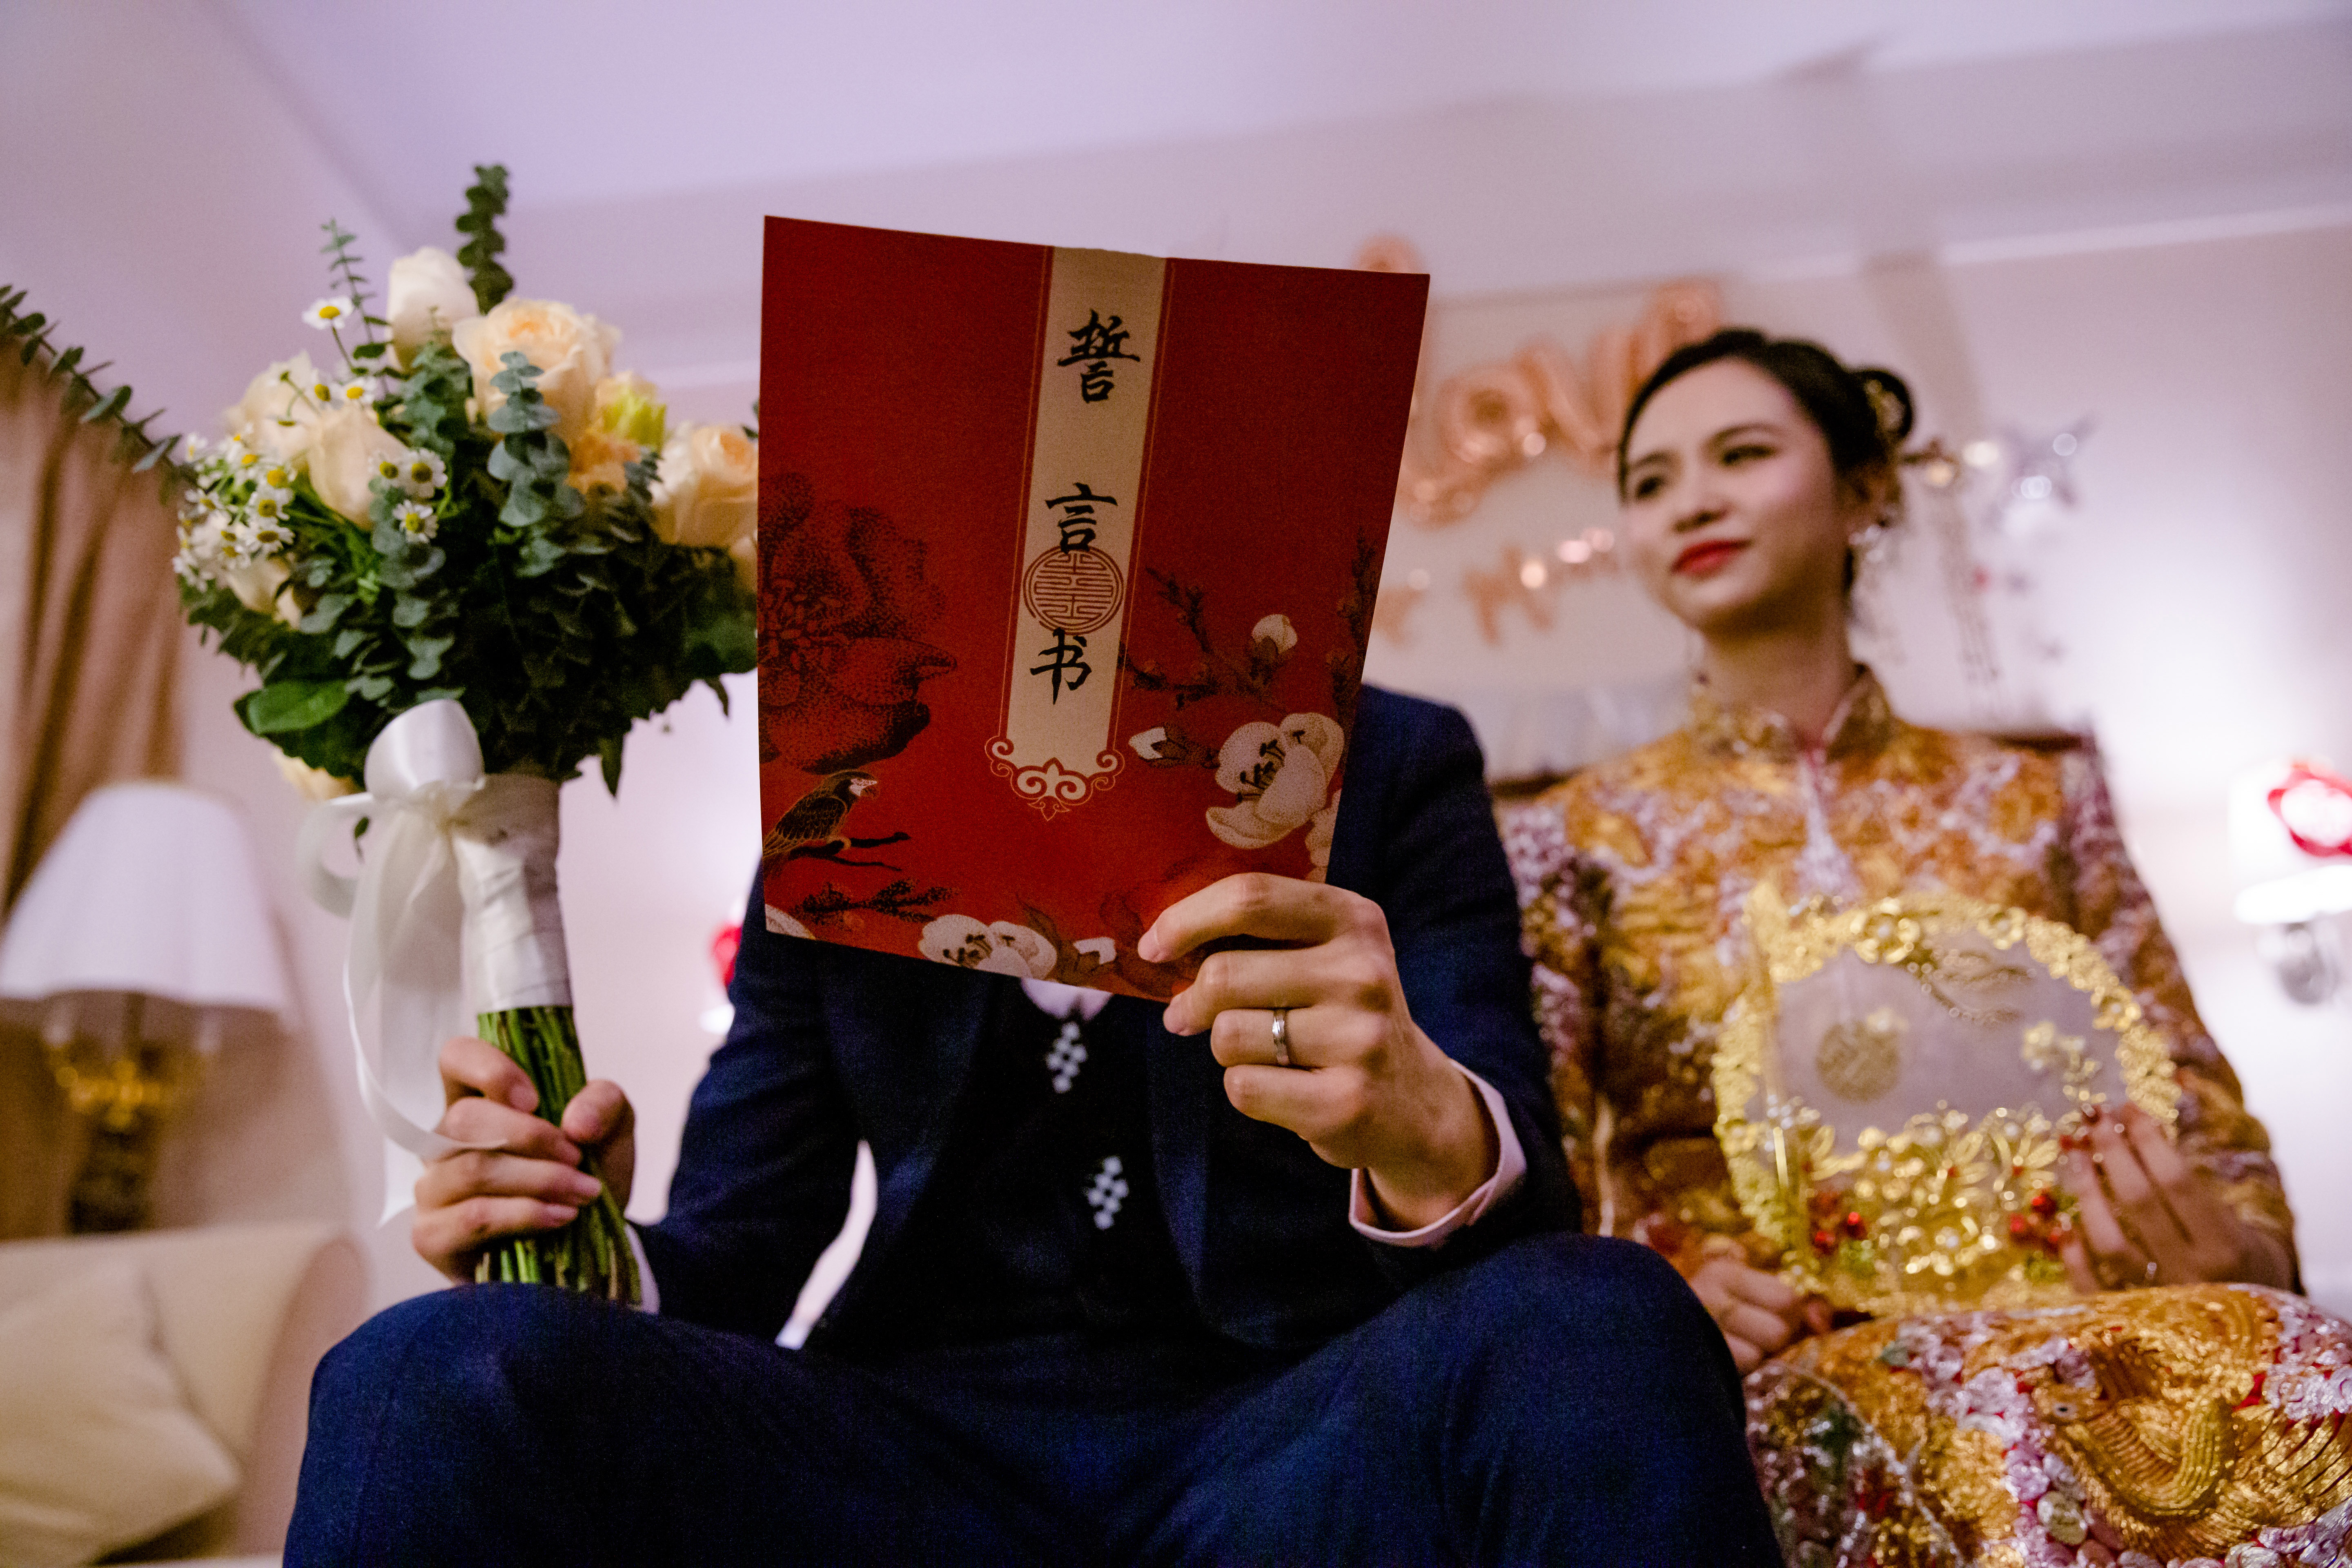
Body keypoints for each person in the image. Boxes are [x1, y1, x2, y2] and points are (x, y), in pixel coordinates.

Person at [288, 685, 1783, 1566]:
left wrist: (1420, 1118)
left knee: (1602, 1315)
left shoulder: (1390, 762)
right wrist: (571, 1235)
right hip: (906, 1456)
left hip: (1295, 1430)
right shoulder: (841, 798)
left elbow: (1522, 1200)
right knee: (424, 1369)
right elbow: (740, 1250)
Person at [1504, 328, 2352, 1564]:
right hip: (1765, 1364)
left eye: (1740, 454)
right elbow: (1535, 1178)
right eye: (1650, 480)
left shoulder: (2035, 802)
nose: (1691, 500)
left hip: (2083, 1322)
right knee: (1982, 1426)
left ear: (1864, 493)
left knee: (2310, 1367)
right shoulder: (1573, 838)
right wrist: (1653, 1297)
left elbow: (2199, 1114)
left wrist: (2237, 1245)